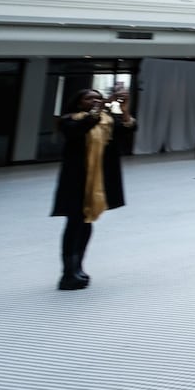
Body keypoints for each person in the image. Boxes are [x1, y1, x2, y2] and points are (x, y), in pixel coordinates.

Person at [50, 85, 135, 291]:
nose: (95, 101)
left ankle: (78, 266)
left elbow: (128, 129)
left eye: (98, 98)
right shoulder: (70, 120)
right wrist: (103, 105)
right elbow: (84, 125)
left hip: (98, 179)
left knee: (87, 221)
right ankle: (67, 272)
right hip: (77, 179)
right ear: (80, 102)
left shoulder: (106, 121)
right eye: (90, 99)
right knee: (75, 221)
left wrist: (124, 110)